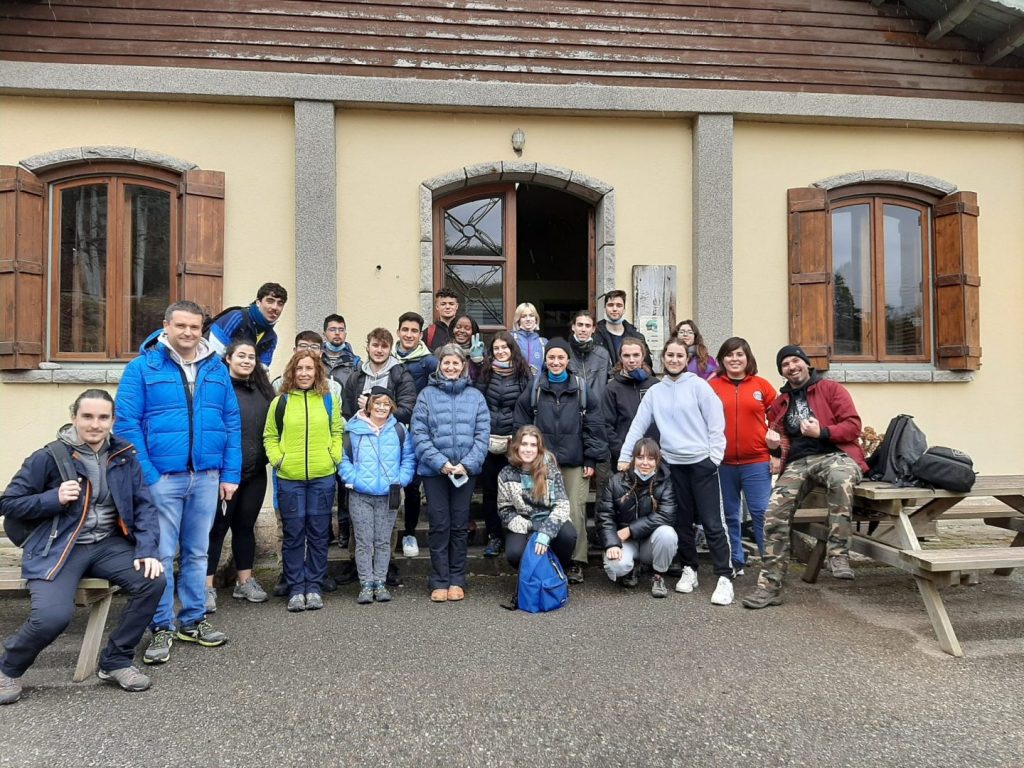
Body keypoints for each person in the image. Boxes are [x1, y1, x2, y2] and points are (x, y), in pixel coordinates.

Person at [0, 390, 165, 704]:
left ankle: (115, 660)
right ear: (74, 417)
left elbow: (144, 506)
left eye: (103, 417)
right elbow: (9, 503)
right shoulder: (48, 457)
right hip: (59, 547)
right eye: (87, 416)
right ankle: (8, 668)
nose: (95, 424)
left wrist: (146, 549)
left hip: (107, 545)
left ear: (112, 421)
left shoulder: (124, 455)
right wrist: (53, 498)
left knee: (153, 581)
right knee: (52, 617)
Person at [115, 300, 241, 665]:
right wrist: (149, 475)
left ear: (203, 329)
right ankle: (161, 626)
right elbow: (126, 425)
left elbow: (231, 423)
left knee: (198, 552)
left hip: (205, 477)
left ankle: (193, 619)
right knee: (161, 555)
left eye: (195, 327)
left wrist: (229, 474)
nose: (188, 333)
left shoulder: (217, 369)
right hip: (163, 478)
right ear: (166, 326)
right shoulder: (142, 368)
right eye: (181, 326)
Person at [742, 345, 869, 610]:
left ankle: (838, 554)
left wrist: (822, 432)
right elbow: (778, 442)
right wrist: (773, 446)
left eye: (795, 361)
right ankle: (770, 586)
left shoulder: (831, 389)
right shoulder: (780, 404)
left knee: (840, 479)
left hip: (834, 455)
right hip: (799, 463)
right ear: (782, 372)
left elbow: (853, 426)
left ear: (806, 364)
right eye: (785, 364)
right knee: (773, 512)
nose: (791, 367)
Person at [617, 338, 733, 606]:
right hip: (673, 466)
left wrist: (714, 458)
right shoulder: (656, 392)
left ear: (686, 358)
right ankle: (689, 568)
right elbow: (638, 426)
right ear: (662, 358)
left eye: (679, 355)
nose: (674, 360)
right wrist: (625, 457)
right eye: (669, 355)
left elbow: (717, 422)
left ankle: (724, 577)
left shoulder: (699, 386)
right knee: (681, 522)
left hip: (702, 464)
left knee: (713, 523)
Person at [514, 338, 608, 584]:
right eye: (551, 357)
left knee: (574, 511)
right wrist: (527, 454)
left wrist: (590, 457)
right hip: (540, 461)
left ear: (568, 360)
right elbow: (520, 423)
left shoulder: (581, 387)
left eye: (561, 357)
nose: (556, 362)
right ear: (545, 360)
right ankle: (545, 556)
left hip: (574, 460)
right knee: (541, 509)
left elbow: (595, 426)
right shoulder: (535, 387)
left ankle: (576, 561)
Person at [264, 350, 344, 613]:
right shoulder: (281, 402)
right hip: (290, 479)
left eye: (309, 368)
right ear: (292, 372)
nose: (305, 373)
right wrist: (279, 460)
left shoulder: (328, 400)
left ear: (317, 372)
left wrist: (333, 456)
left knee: (319, 534)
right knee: (294, 534)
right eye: (299, 369)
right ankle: (297, 588)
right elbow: (270, 436)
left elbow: (337, 431)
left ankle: (314, 585)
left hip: (322, 477)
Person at [411, 344, 489, 603]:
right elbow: (418, 434)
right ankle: (439, 580)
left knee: (458, 525)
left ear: (463, 366)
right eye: (447, 363)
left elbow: (482, 435)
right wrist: (441, 463)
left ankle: (457, 579)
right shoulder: (426, 395)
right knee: (439, 525)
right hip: (435, 472)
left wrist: (466, 464)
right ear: (440, 365)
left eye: (456, 363)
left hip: (465, 471)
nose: (451, 367)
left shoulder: (475, 397)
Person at [205, 341, 275, 612]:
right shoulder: (218, 389)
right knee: (216, 530)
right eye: (241, 356)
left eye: (251, 357)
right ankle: (205, 587)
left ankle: (244, 581)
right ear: (228, 358)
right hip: (224, 474)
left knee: (245, 526)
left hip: (255, 472)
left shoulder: (262, 389)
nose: (246, 361)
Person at [339, 386, 416, 604]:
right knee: (363, 541)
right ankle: (365, 583)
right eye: (377, 403)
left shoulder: (399, 429)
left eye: (386, 403)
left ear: (391, 406)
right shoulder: (353, 429)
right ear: (369, 405)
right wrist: (353, 479)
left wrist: (400, 479)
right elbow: (342, 458)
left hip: (388, 494)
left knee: (383, 541)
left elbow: (408, 458)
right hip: (360, 494)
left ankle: (380, 582)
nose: (381, 407)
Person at [708, 338, 777, 575]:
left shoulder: (762, 386)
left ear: (748, 358)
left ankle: (770, 566)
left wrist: (777, 454)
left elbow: (778, 422)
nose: (734, 359)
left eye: (739, 354)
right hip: (723, 463)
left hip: (756, 461)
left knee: (760, 513)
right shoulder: (712, 386)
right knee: (729, 514)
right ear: (722, 359)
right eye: (729, 355)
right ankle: (735, 561)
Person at [496, 425, 577, 605]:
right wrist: (531, 528)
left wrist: (546, 532)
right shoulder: (505, 473)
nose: (528, 449)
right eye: (524, 444)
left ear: (539, 448)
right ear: (517, 446)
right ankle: (532, 576)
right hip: (523, 522)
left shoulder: (551, 470)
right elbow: (504, 509)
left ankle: (555, 572)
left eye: (533, 445)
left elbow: (562, 505)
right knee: (514, 552)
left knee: (568, 536)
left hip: (549, 519)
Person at [475, 331, 533, 558]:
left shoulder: (523, 374)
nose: (500, 352)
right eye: (496, 348)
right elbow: (479, 404)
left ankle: (517, 534)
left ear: (512, 349)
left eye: (504, 348)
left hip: (514, 442)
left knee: (518, 491)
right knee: (491, 491)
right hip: (489, 441)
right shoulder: (485, 373)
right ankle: (494, 536)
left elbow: (527, 408)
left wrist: (517, 437)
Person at [597, 438, 679, 598]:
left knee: (668, 534)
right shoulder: (616, 481)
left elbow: (666, 515)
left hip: (651, 542)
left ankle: (658, 575)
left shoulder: (665, 482)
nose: (645, 463)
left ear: (658, 460)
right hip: (625, 542)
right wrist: (612, 543)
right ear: (633, 458)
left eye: (650, 458)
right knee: (617, 566)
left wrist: (631, 529)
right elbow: (604, 515)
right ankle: (632, 567)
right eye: (640, 457)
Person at [393, 311, 437, 559]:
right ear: (399, 331)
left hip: (417, 431)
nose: (408, 335)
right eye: (405, 330)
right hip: (390, 430)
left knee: (411, 485)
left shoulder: (428, 362)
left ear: (420, 335)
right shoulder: (388, 358)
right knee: (389, 483)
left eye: (413, 331)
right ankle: (389, 531)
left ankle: (409, 532)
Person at [602, 337, 659, 464]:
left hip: (654, 456)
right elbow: (607, 426)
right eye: (626, 355)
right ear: (620, 358)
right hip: (624, 457)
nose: (631, 360)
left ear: (643, 356)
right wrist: (622, 452)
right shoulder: (612, 388)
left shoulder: (655, 385)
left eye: (636, 355)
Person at [207, 282, 288, 367]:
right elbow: (213, 358)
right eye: (270, 301)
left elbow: (262, 371)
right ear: (258, 302)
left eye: (280, 303)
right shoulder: (237, 317)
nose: (275, 307)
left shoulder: (272, 338)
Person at [595, 289, 652, 369]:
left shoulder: (637, 337)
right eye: (610, 305)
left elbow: (647, 366)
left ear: (624, 309)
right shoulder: (595, 336)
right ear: (605, 308)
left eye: (619, 305)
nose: (614, 309)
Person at [567, 309, 612, 404]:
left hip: (597, 409)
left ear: (593, 329)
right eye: (580, 325)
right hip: (571, 408)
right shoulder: (564, 352)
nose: (583, 329)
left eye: (588, 326)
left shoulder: (603, 354)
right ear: (573, 327)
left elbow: (611, 383)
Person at [321, 314, 361, 391]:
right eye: (332, 329)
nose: (337, 333)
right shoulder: (315, 360)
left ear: (345, 334)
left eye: (341, 330)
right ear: (324, 334)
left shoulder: (356, 364)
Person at [510, 302, 548, 375]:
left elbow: (546, 369)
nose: (528, 319)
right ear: (518, 320)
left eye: (531, 315)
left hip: (537, 385)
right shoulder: (511, 338)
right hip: (515, 384)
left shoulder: (543, 342)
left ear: (536, 319)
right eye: (523, 316)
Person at [450, 313, 485, 382]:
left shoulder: (481, 353)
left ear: (473, 332)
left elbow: (484, 379)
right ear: (452, 329)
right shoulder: (442, 351)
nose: (462, 331)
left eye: (467, 328)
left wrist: (478, 362)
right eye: (458, 327)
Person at [425, 287, 460, 352]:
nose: (447, 307)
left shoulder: (465, 331)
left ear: (456, 306)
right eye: (443, 304)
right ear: (437, 307)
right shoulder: (428, 333)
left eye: (451, 304)